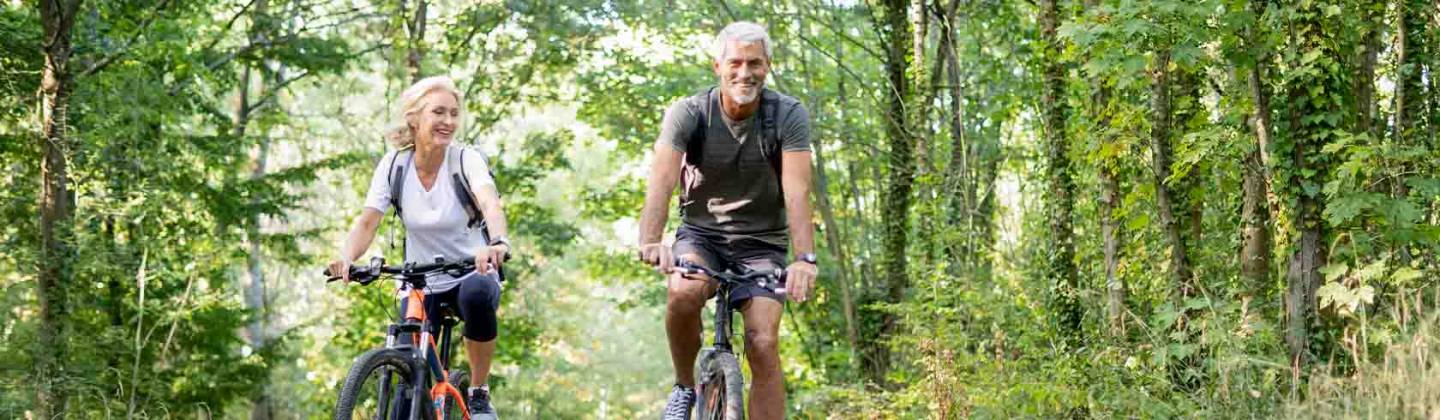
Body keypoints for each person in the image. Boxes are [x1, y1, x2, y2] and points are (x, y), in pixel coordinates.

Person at [637, 22, 819, 420]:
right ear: (717, 65)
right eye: (735, 62)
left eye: (754, 63)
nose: (744, 72)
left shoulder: (787, 114)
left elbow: (797, 191)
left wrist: (804, 259)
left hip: (762, 245)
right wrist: (651, 239)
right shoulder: (689, 113)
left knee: (764, 342)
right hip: (702, 237)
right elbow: (663, 178)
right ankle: (685, 388)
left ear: (767, 66)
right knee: (682, 294)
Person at [327, 75, 511, 419]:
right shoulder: (394, 165)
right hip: (419, 280)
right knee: (404, 371)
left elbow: (491, 204)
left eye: (454, 114)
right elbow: (368, 221)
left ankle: (478, 392)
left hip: (471, 269)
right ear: (414, 118)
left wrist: (497, 243)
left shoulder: (465, 159)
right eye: (438, 112)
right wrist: (347, 258)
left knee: (476, 295)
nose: (448, 122)